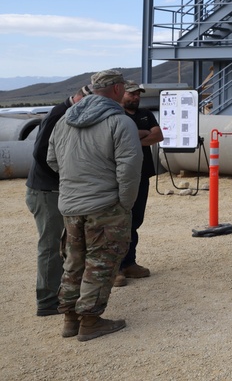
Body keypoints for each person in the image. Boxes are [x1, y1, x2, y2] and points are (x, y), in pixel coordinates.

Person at [47, 70, 142, 341]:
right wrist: (125, 203)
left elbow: (52, 160)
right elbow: (129, 169)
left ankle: (69, 319)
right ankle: (90, 322)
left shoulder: (65, 119)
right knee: (101, 262)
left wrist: (74, 183)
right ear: (115, 90)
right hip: (105, 206)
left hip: (71, 205)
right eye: (123, 88)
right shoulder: (119, 122)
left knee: (74, 261)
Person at [25, 86, 89, 317]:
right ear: (82, 99)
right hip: (46, 190)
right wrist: (66, 178)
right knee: (51, 246)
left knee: (63, 245)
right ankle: (47, 301)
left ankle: (61, 293)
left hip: (55, 189)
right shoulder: (58, 115)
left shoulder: (69, 113)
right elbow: (41, 154)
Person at [115, 81, 163, 286]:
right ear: (121, 93)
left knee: (135, 220)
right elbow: (119, 139)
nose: (135, 98)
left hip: (142, 174)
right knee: (117, 221)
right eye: (131, 94)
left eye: (138, 95)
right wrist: (143, 134)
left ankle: (129, 263)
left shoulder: (145, 114)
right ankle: (114, 268)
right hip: (120, 176)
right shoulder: (115, 115)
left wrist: (135, 139)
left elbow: (158, 135)